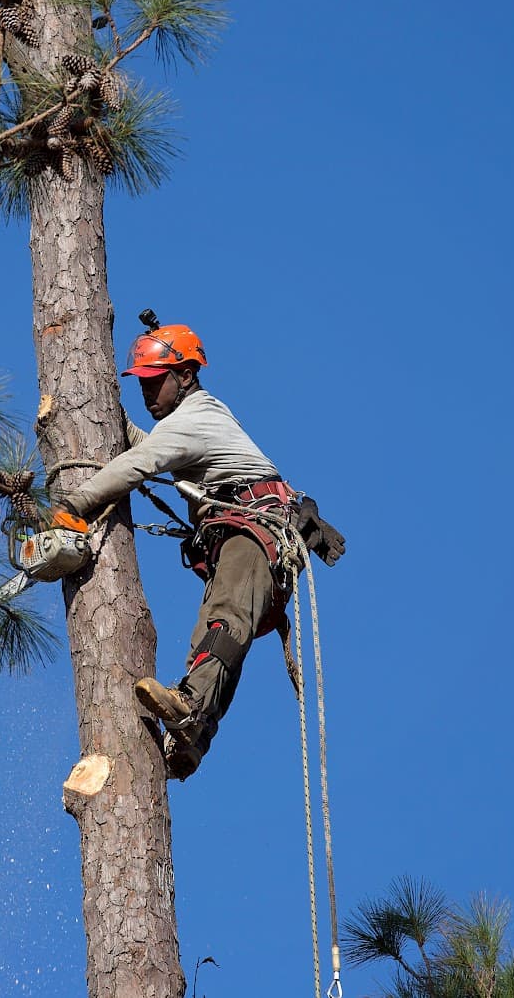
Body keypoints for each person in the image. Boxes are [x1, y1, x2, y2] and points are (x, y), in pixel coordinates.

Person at [53, 315, 344, 780]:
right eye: (142, 384)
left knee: (226, 620)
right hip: (243, 535)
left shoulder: (195, 417)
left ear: (185, 375)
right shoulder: (192, 419)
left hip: (254, 532)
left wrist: (73, 505)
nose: (148, 392)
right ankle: (194, 737)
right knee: (216, 633)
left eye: (155, 381)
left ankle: (190, 711)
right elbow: (156, 450)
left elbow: (141, 463)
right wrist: (114, 420)